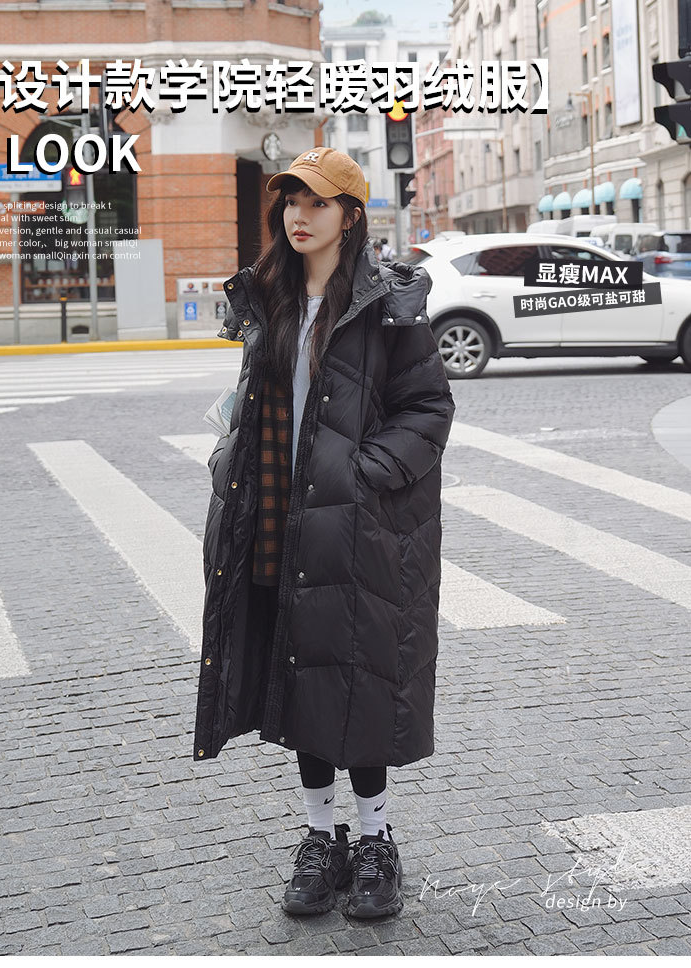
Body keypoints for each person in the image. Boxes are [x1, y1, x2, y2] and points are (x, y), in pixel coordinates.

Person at [195, 146, 455, 920]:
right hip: (275, 515)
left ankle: (375, 840)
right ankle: (320, 837)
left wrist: (364, 475)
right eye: (290, 202)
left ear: (351, 215)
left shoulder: (387, 304)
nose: (299, 216)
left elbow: (428, 410)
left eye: (317, 203)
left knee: (362, 676)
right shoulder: (267, 297)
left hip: (358, 524)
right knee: (302, 672)